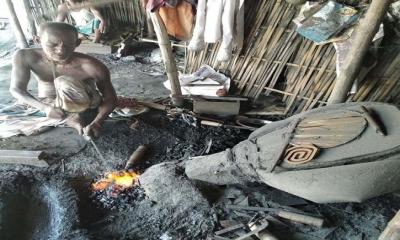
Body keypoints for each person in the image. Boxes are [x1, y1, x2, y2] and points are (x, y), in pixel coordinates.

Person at [9, 22, 117, 137]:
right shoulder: (24, 56)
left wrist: (97, 122)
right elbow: (16, 89)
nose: (60, 50)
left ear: (77, 43)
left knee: (64, 82)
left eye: (68, 45)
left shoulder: (92, 66)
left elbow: (111, 98)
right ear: (38, 40)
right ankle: (70, 119)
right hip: (48, 102)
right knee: (16, 110)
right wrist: (45, 108)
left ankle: (72, 118)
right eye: (52, 45)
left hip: (83, 104)